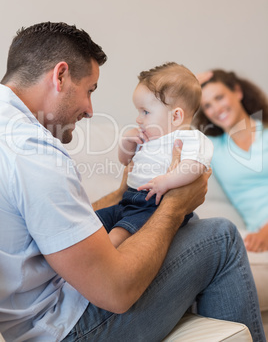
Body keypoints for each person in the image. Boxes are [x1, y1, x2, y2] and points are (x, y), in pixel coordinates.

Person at [0, 23, 265, 342]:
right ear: (60, 76)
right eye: (89, 90)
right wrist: (176, 205)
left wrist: (121, 193)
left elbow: (47, 226)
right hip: (65, 330)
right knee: (220, 236)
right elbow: (114, 292)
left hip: (40, 318)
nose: (89, 109)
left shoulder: (11, 133)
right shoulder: (34, 153)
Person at [96, 63, 214, 247]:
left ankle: (101, 266)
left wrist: (167, 181)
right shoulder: (148, 138)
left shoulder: (189, 138)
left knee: (116, 237)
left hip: (153, 205)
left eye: (145, 112)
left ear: (175, 117)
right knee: (93, 223)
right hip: (128, 200)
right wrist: (127, 141)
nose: (138, 118)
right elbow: (125, 161)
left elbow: (196, 166)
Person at [194, 69, 268, 253]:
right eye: (207, 105)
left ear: (237, 92)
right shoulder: (212, 148)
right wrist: (187, 92)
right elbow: (171, 141)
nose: (216, 109)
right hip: (257, 235)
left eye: (219, 97)